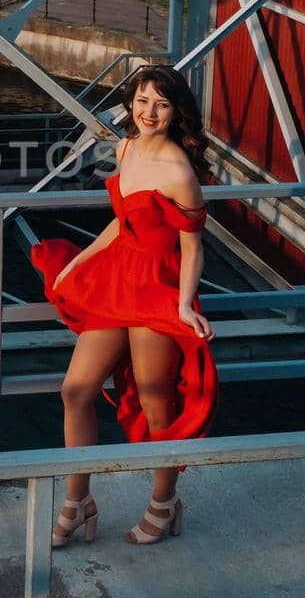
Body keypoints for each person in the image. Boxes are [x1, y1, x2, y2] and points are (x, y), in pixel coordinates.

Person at [30, 63, 218, 547]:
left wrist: (184, 306)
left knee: (157, 398)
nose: (149, 111)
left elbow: (193, 247)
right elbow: (123, 222)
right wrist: (80, 262)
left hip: (158, 286)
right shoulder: (126, 146)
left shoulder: (179, 171)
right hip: (118, 277)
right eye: (141, 101)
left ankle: (164, 502)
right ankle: (77, 501)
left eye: (161, 103)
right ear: (131, 103)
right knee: (76, 390)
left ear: (176, 112)